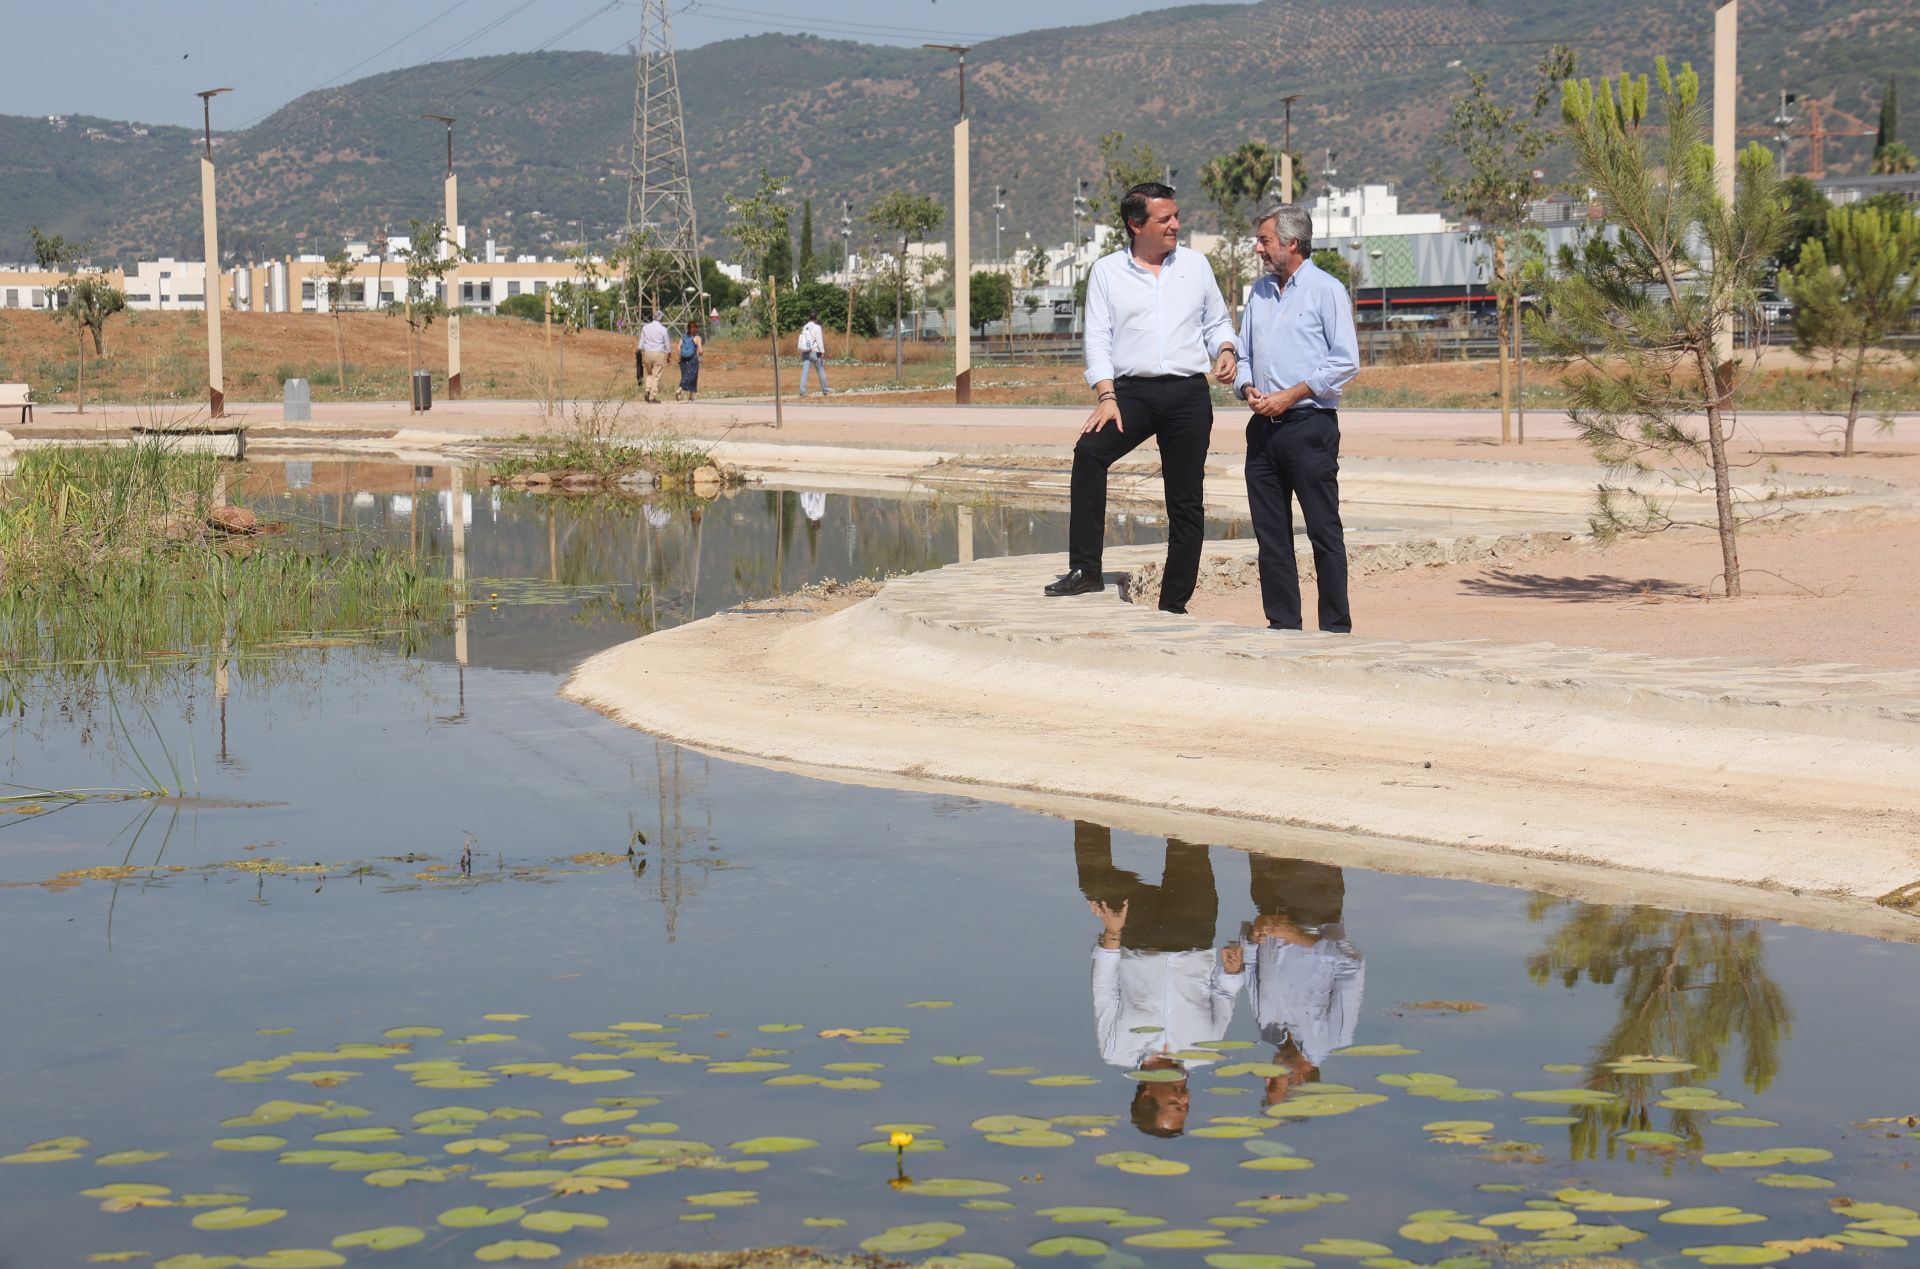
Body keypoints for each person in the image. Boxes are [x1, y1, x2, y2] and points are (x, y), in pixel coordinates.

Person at [1046, 181, 1237, 612]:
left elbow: (1217, 323)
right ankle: (1086, 570)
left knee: (1185, 498)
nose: (1176, 225)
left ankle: (1174, 602)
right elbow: (1097, 338)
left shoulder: (1196, 266)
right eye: (1164, 218)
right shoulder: (1107, 272)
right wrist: (1106, 395)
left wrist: (1225, 349)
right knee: (1090, 453)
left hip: (1188, 394)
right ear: (1136, 225)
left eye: (1176, 216)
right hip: (1130, 394)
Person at [1231, 204, 1360, 632]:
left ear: (1291, 243)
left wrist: (1291, 395)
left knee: (1323, 531)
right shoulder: (1259, 292)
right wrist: (1246, 386)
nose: (1258, 249)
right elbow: (1245, 352)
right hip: (1262, 431)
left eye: (1265, 241)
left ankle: (1335, 628)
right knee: (1271, 536)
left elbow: (1345, 362)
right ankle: (1283, 625)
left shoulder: (1327, 290)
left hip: (1309, 426)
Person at [1076, 821, 1244, 1136]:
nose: (1186, 1097)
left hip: (1138, 934)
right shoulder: (1205, 1052)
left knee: (1094, 885)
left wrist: (1112, 933)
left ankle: (1086, 808)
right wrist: (1233, 973)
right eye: (1186, 1106)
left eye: (1176, 1105)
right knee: (1188, 841)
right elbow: (1223, 996)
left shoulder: (1116, 1050)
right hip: (1193, 931)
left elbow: (1105, 992)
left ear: (1147, 1094)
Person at [1241, 855, 1363, 1107]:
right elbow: (1352, 964)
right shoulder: (1334, 1039)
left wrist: (1254, 935)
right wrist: (1296, 936)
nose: (1266, 1078)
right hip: (1313, 904)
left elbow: (1252, 966)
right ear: (1300, 1078)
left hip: (1266, 900)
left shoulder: (1268, 1032)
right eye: (1274, 1084)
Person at [637, 310, 671, 404]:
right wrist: (669, 354)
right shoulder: (663, 329)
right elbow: (667, 344)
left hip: (647, 352)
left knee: (649, 373)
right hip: (659, 353)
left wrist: (640, 351)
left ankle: (647, 390)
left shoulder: (645, 327)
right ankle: (652, 396)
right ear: (661, 319)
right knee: (656, 375)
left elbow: (640, 344)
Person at [797, 314, 831, 397]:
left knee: (805, 371)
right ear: (816, 318)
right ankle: (825, 390)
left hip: (805, 351)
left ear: (809, 317)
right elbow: (819, 340)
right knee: (820, 369)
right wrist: (822, 351)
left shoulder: (805, 327)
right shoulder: (817, 327)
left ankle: (802, 391)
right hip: (815, 351)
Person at [674, 321, 703, 402]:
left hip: (683, 360)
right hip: (693, 361)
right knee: (692, 378)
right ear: (696, 329)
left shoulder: (683, 338)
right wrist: (700, 355)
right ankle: (682, 390)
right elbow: (700, 351)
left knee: (685, 376)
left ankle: (689, 396)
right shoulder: (697, 338)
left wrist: (680, 357)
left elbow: (678, 349)